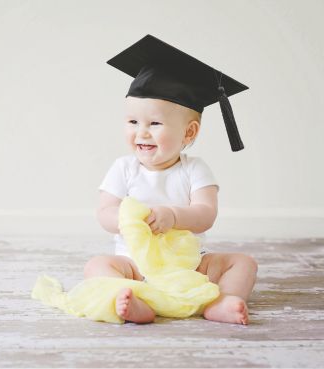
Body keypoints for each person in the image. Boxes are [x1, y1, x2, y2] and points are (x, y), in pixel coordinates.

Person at [83, 35, 258, 325]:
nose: (142, 132)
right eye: (132, 122)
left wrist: (173, 216)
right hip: (135, 265)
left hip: (189, 266)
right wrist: (129, 221)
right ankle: (134, 299)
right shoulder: (123, 168)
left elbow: (205, 215)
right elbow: (104, 212)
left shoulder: (195, 169)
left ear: (189, 133)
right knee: (96, 266)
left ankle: (221, 301)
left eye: (154, 123)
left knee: (244, 264)